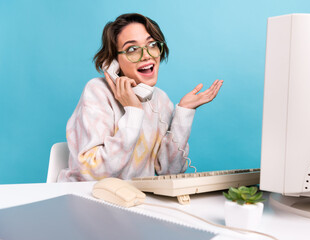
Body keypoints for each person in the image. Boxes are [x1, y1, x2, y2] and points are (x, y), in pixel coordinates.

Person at [58, 13, 223, 182]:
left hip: (133, 201)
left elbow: (169, 172)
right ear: (113, 62)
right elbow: (95, 174)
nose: (146, 55)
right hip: (85, 198)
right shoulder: (98, 91)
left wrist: (184, 113)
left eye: (152, 44)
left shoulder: (160, 100)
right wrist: (133, 111)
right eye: (132, 49)